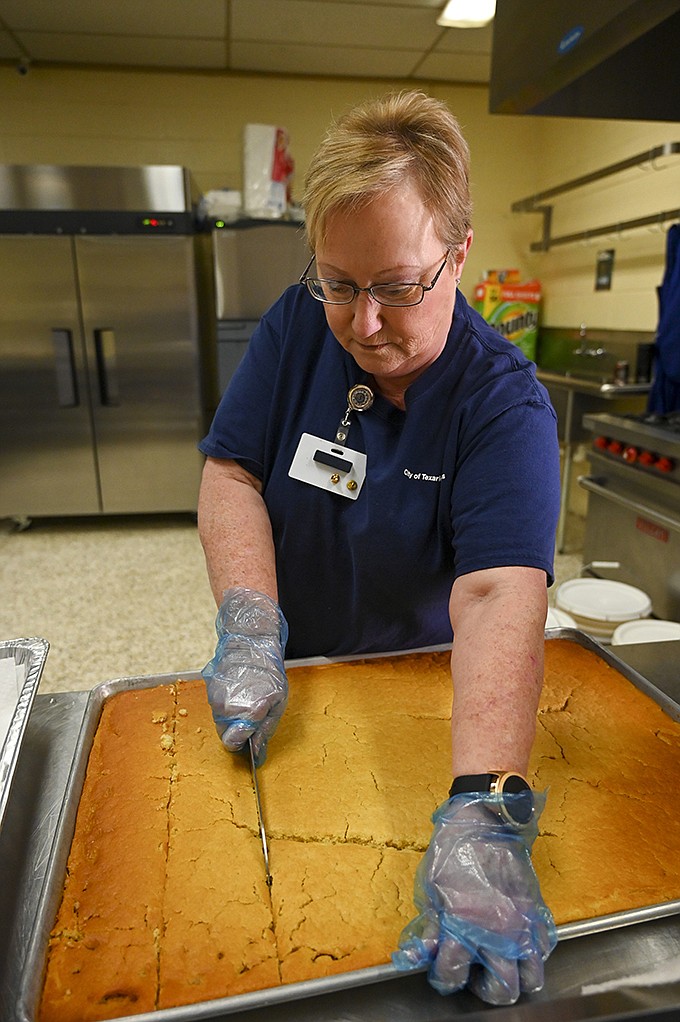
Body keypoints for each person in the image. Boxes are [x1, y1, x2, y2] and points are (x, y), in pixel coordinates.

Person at [198, 90, 561, 1006]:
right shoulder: (292, 327)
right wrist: (248, 623)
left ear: (459, 256)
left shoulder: (502, 404)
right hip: (295, 679)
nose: (364, 324)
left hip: (421, 702)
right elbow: (231, 472)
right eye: (340, 285)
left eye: (399, 288)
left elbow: (495, 595)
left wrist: (483, 805)